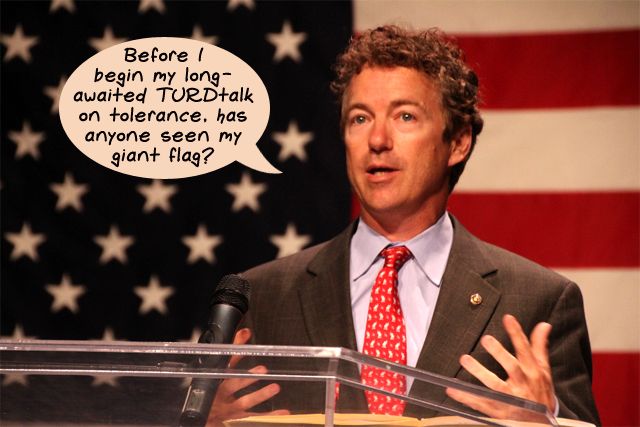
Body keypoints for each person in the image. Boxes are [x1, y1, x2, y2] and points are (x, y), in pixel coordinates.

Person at [208, 25, 600, 425]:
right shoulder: (265, 296)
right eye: (360, 118)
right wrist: (205, 422)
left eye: (405, 116)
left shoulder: (539, 301)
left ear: (458, 141)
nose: (377, 139)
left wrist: (545, 424)